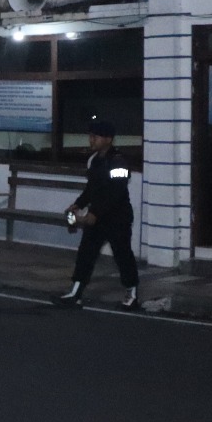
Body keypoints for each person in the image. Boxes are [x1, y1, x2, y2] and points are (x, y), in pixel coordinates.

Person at [53, 118, 141, 310]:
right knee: (86, 253)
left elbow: (115, 192)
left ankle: (132, 294)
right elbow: (91, 189)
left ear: (108, 139)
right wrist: (77, 205)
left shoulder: (119, 162)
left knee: (122, 255)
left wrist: (94, 213)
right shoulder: (93, 160)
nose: (91, 140)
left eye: (96, 136)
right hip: (97, 218)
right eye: (90, 136)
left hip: (118, 218)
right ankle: (75, 293)